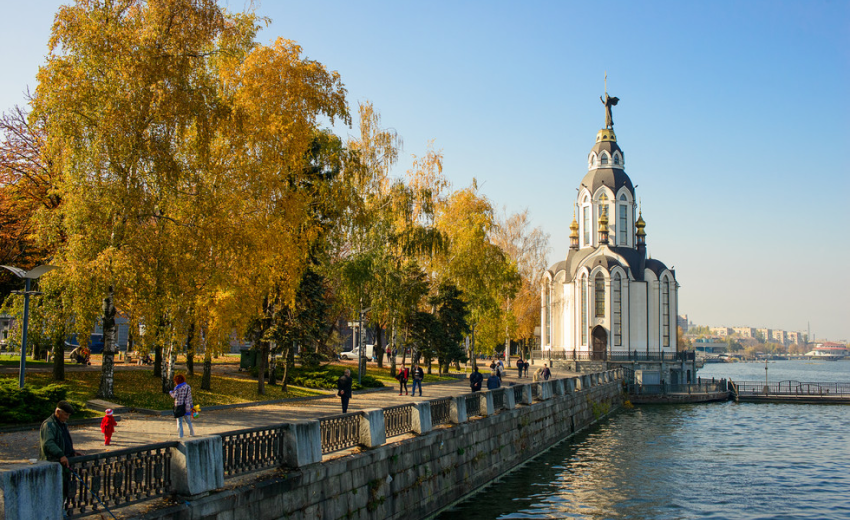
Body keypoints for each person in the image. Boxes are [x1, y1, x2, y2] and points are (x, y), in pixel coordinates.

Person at [39, 401, 84, 502]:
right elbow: (48, 443)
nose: (67, 417)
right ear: (58, 412)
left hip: (65, 462)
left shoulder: (62, 424)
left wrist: (72, 451)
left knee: (64, 489)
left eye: (69, 415)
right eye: (66, 414)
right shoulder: (49, 425)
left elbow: (64, 440)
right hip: (53, 462)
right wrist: (61, 455)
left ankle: (62, 511)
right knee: (54, 491)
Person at [169, 374, 195, 438]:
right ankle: (192, 433)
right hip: (187, 406)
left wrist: (171, 393)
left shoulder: (177, 388)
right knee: (188, 421)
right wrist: (191, 405)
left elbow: (174, 396)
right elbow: (189, 397)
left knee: (179, 422)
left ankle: (180, 436)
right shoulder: (188, 387)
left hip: (179, 406)